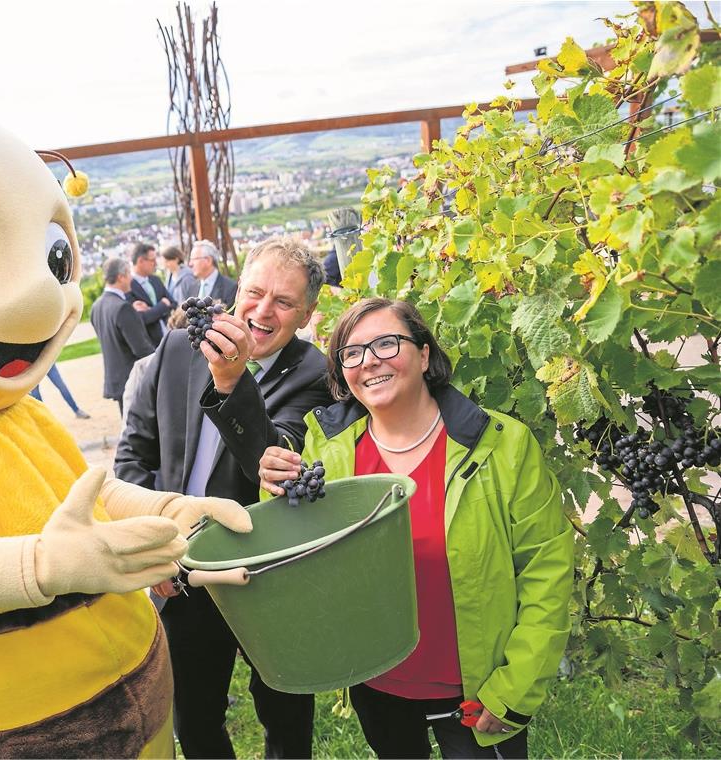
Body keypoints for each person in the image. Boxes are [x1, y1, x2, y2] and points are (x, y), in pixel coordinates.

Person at [258, 297, 573, 760]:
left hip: (476, 691)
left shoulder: (501, 447)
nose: (370, 362)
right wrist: (276, 493)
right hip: (377, 682)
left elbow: (547, 573)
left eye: (387, 343)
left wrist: (513, 690)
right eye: (352, 352)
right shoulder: (330, 452)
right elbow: (302, 559)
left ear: (425, 355)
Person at [116, 236, 333, 759]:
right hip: (183, 566)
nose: (262, 311)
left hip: (267, 577)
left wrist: (231, 379)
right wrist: (154, 545)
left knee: (285, 714)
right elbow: (133, 457)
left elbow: (275, 462)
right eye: (254, 293)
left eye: (283, 303)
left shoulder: (315, 375)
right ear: (237, 291)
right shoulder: (176, 347)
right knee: (194, 718)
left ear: (306, 315)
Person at [90, 257, 156, 415]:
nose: (131, 278)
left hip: (117, 379)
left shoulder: (97, 306)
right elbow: (142, 349)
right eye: (129, 274)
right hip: (133, 380)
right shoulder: (123, 308)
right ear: (121, 277)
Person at [126, 242, 175, 344]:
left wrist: (150, 311)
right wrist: (162, 306)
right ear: (140, 261)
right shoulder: (128, 286)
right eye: (152, 260)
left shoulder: (155, 280)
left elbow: (174, 304)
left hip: (169, 338)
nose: (156, 264)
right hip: (150, 345)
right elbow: (141, 319)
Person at [182, 239, 237, 305]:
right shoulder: (191, 287)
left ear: (208, 260)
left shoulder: (230, 288)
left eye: (194, 259)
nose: (190, 264)